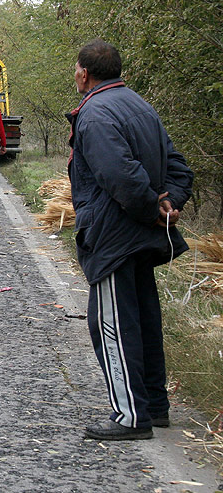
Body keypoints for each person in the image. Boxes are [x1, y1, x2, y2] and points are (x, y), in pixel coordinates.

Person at [68, 39, 193, 441]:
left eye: (75, 69)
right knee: (142, 321)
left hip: (113, 237)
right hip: (142, 235)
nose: (75, 75)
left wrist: (150, 208)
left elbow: (119, 175)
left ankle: (130, 416)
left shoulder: (95, 113)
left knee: (112, 325)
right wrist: (169, 203)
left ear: (84, 73)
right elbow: (177, 165)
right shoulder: (140, 105)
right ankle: (155, 407)